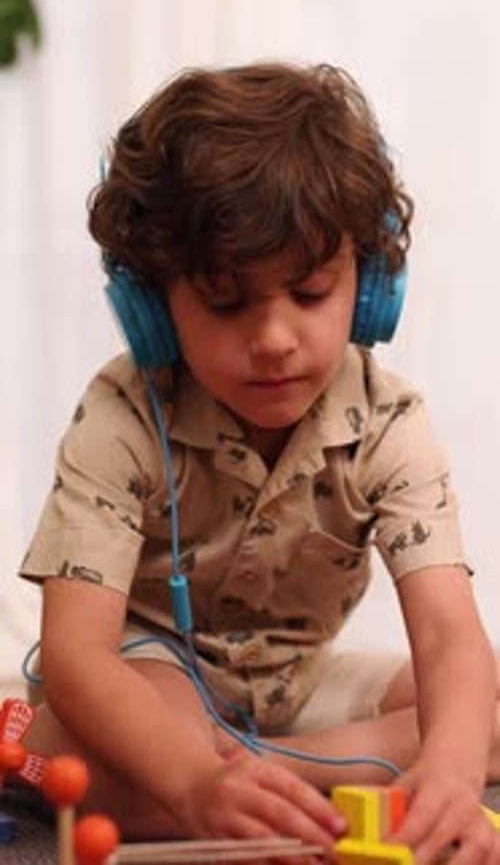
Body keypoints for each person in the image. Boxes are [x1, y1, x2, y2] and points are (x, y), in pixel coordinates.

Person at [17, 61, 500, 863]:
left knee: (482, 709)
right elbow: (76, 656)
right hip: (152, 674)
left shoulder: (390, 422)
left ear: (371, 286)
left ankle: (262, 777)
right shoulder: (123, 414)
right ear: (152, 308)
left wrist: (447, 773)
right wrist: (192, 780)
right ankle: (211, 783)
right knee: (132, 747)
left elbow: (451, 637)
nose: (275, 339)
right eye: (225, 301)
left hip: (295, 687)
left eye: (310, 293)